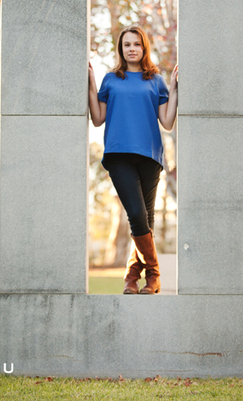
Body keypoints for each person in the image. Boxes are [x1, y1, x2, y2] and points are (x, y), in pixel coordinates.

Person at [88, 25, 177, 295]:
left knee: (145, 221)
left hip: (150, 156)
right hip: (118, 155)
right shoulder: (111, 80)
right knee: (137, 215)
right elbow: (97, 118)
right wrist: (91, 84)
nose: (132, 48)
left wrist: (173, 87)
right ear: (121, 49)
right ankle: (154, 274)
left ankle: (131, 276)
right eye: (127, 44)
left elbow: (168, 122)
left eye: (136, 44)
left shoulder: (156, 81)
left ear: (144, 47)